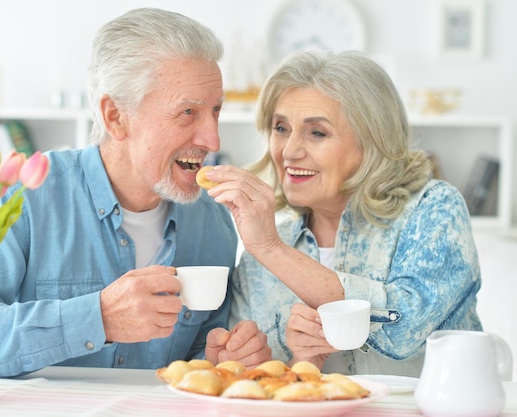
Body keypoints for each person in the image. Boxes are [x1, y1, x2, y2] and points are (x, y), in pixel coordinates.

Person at [0, 7, 271, 378]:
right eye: (187, 112)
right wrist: (97, 318)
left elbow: (195, 359)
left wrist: (218, 362)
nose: (212, 139)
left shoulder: (215, 223)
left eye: (215, 110)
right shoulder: (22, 194)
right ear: (115, 116)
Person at [201, 50, 483, 377]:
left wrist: (271, 250)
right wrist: (254, 365)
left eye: (317, 132)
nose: (289, 150)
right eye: (281, 128)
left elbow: (404, 327)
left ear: (372, 140)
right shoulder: (258, 261)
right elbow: (278, 389)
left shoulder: (432, 208)